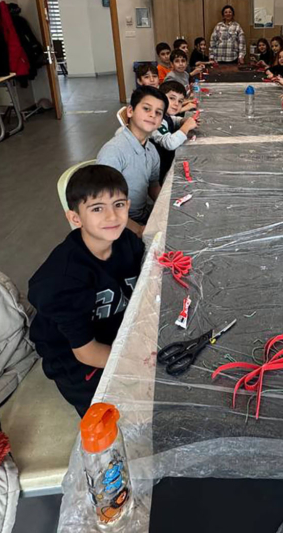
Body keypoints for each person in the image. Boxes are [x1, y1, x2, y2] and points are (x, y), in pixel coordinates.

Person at [28, 164, 146, 415]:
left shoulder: (126, 242)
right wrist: (140, 365)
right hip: (75, 357)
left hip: (112, 328)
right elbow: (87, 352)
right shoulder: (62, 281)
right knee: (125, 415)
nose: (112, 217)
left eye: (119, 204)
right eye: (97, 208)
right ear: (75, 218)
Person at [97, 86, 165, 236]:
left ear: (161, 122)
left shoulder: (152, 150)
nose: (152, 115)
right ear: (130, 111)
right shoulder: (113, 151)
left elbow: (153, 185)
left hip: (143, 214)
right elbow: (103, 205)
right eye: (146, 108)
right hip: (120, 224)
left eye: (158, 113)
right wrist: (138, 230)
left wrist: (166, 206)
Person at [152, 81, 198, 180]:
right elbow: (170, 143)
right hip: (161, 171)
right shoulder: (155, 119)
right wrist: (186, 127)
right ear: (160, 98)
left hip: (168, 162)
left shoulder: (164, 115)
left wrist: (182, 121)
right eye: (172, 98)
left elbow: (171, 120)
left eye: (180, 101)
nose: (176, 104)